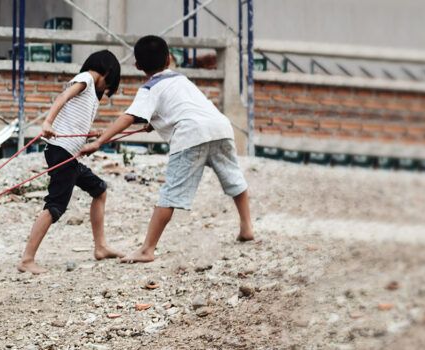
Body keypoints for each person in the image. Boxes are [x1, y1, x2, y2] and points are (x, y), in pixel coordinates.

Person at [80, 35, 254, 264]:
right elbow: (181, 106)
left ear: (137, 66)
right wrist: (156, 121)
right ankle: (247, 227)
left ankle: (147, 249)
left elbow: (129, 117)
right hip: (220, 127)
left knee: (170, 193)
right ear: (169, 58)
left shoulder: (149, 88)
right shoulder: (181, 78)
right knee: (234, 178)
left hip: (191, 135)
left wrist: (98, 142)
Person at [17, 50, 124, 274]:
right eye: (107, 85)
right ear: (107, 72)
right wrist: (47, 122)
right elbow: (62, 98)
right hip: (62, 152)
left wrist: (90, 134)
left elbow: (73, 122)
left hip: (70, 155)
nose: (104, 91)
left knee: (99, 190)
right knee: (55, 207)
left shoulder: (90, 90)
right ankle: (27, 259)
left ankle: (101, 247)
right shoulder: (86, 78)